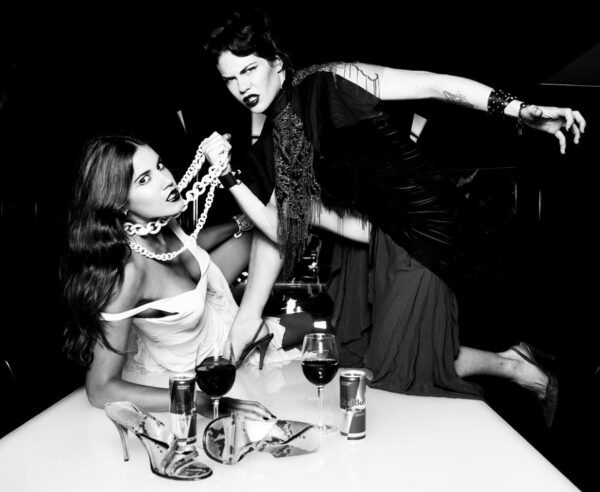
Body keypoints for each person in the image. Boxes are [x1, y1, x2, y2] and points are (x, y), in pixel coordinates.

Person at [201, 8, 586, 427]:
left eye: (249, 70)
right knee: (364, 358)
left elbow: (432, 84)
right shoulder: (274, 145)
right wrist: (229, 178)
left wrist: (520, 110)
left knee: (399, 367)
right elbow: (280, 230)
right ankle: (513, 361)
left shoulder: (331, 80)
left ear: (276, 63)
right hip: (372, 240)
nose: (242, 87)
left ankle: (518, 369)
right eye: (230, 79)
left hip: (421, 226)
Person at [61, 134, 303, 418]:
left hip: (224, 322)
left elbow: (192, 247)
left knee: (278, 219)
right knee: (319, 332)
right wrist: (198, 401)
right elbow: (100, 389)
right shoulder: (127, 274)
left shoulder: (162, 223)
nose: (166, 180)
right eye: (144, 180)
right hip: (205, 368)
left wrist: (240, 217)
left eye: (160, 166)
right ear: (119, 203)